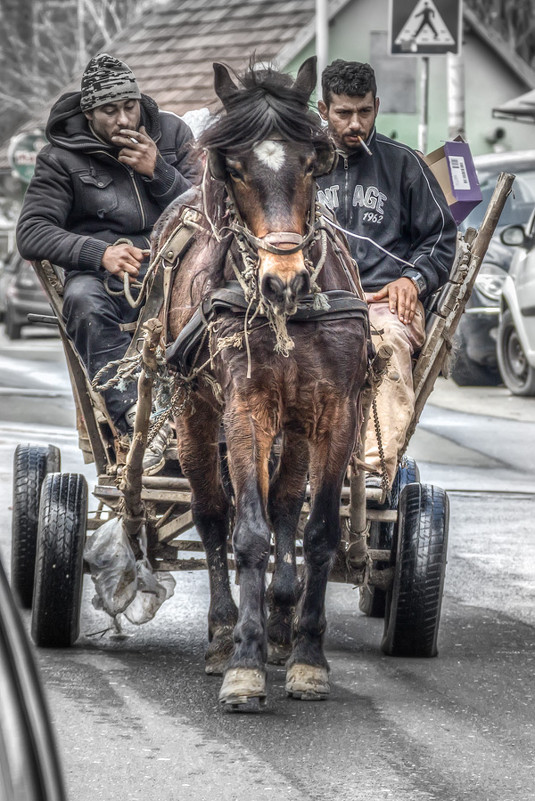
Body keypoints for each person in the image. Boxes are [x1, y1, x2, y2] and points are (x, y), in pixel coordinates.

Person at [17, 53, 198, 473]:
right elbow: (31, 231)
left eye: (129, 106)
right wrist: (99, 254)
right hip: (107, 279)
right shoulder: (61, 157)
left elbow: (212, 208)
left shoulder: (172, 133)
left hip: (181, 270)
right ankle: (139, 425)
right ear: (89, 112)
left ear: (140, 101)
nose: (123, 119)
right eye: (109, 110)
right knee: (80, 299)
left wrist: (160, 172)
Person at [316, 59, 458, 490]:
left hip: (385, 305)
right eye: (343, 113)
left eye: (364, 111)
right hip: (314, 304)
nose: (355, 123)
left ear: (377, 105)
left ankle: (372, 471)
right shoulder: (302, 165)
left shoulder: (405, 166)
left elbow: (439, 240)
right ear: (323, 110)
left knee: (386, 342)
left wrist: (411, 280)